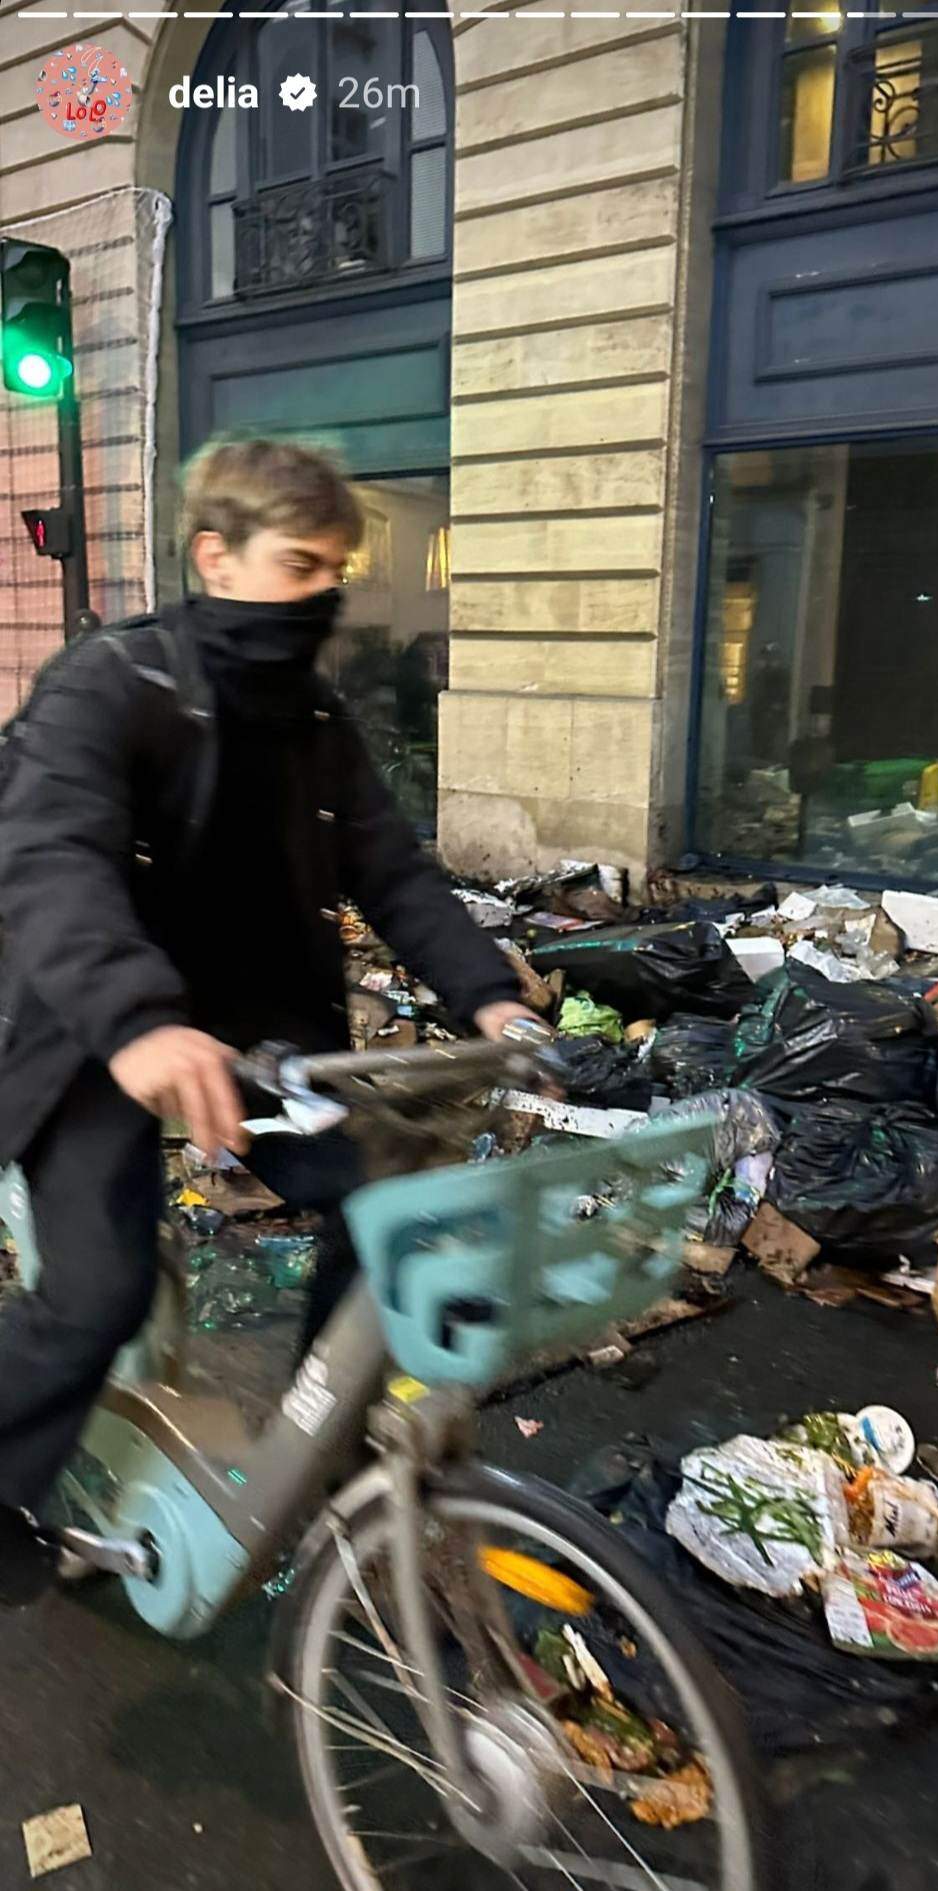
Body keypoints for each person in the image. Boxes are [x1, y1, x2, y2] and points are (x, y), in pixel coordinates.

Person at [0, 436, 536, 1598]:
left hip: (251, 1029)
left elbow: (393, 869)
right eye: (300, 565)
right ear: (216, 557)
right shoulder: (112, 684)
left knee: (384, 1205)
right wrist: (140, 1022)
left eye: (336, 569)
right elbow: (51, 858)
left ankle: (329, 1475)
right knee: (97, 1290)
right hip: (97, 1031)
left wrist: (488, 991)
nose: (324, 597)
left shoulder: (314, 720)